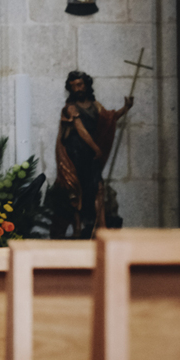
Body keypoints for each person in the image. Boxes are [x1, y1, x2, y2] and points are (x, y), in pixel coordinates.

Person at [49, 70, 133, 238]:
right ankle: (78, 228)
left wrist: (126, 108)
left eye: (79, 85)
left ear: (86, 85)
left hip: (89, 154)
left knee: (98, 188)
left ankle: (101, 227)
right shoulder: (70, 108)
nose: (77, 89)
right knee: (77, 191)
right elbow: (80, 130)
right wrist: (96, 148)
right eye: (73, 86)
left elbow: (110, 118)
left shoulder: (95, 106)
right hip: (75, 155)